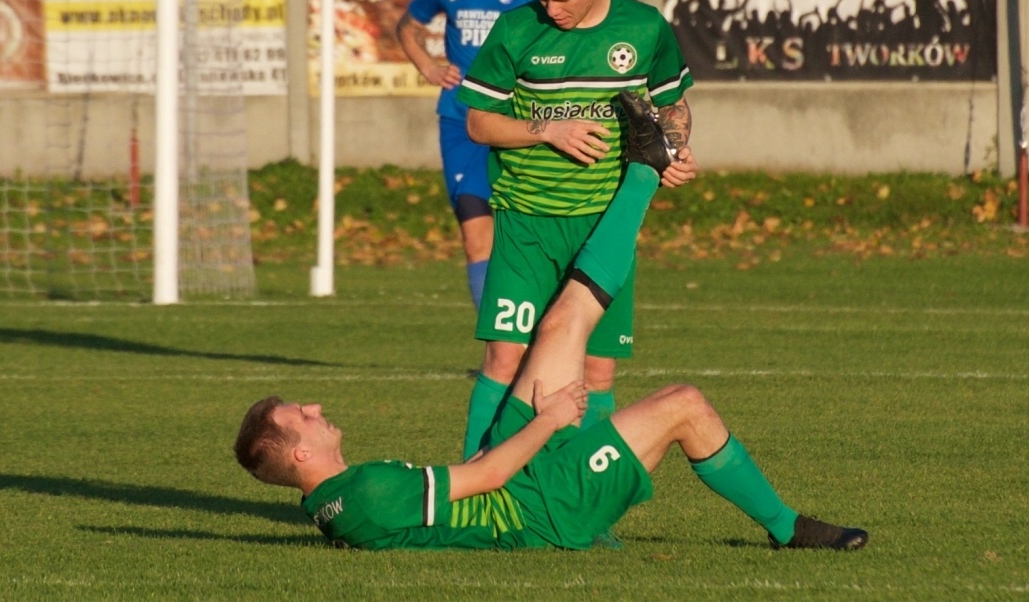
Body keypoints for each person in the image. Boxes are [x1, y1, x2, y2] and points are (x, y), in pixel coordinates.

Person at [232, 210, 869, 552]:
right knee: (684, 404)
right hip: (543, 512)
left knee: (562, 323)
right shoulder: (364, 492)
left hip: (519, 484)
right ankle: (787, 527)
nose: (314, 405)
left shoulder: (333, 503)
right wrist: (550, 419)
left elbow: (471, 482)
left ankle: (643, 169)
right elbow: (487, 479)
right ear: (300, 454)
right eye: (301, 416)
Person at [454, 0, 696, 457]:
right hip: (526, 220)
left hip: (604, 224)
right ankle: (471, 481)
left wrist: (675, 149)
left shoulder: (644, 28)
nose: (552, 10)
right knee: (505, 357)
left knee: (597, 367)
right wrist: (548, 129)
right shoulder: (516, 30)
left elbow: (671, 105)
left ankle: (588, 489)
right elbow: (478, 123)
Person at [396, 0, 537, 311]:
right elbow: (407, 26)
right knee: (476, 236)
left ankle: (540, 334)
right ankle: (498, 341)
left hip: (515, 123)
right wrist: (428, 66)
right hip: (460, 122)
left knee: (524, 236)